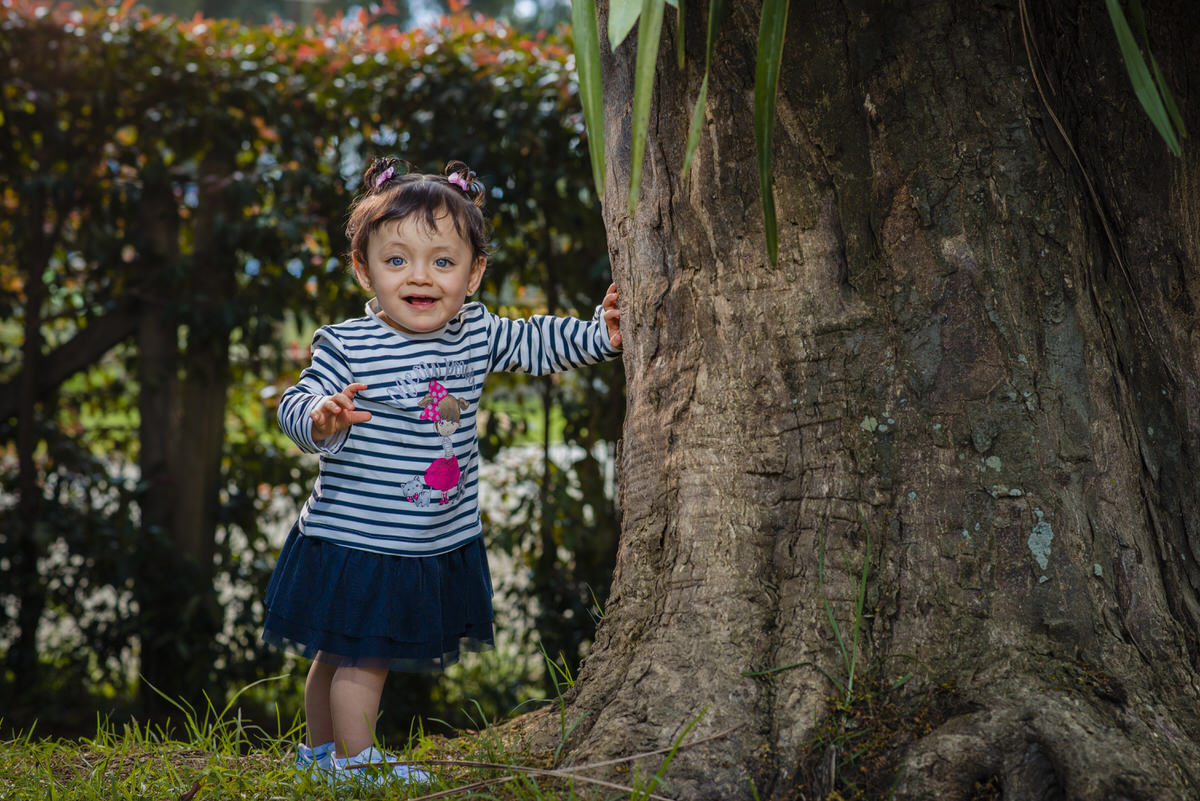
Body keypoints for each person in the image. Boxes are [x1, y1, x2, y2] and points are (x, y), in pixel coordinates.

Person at [261, 157, 622, 787]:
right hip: (360, 538)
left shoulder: (474, 332)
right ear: (362, 267)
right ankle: (353, 763)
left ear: (475, 273)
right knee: (362, 654)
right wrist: (322, 417)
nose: (419, 277)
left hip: (427, 535)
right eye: (396, 260)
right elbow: (298, 401)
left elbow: (538, 344)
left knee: (340, 650)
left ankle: (322, 758)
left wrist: (603, 335)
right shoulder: (348, 344)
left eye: (443, 261)